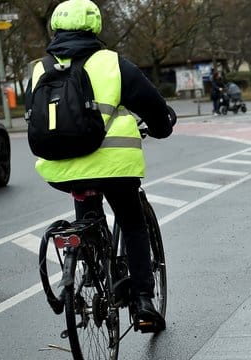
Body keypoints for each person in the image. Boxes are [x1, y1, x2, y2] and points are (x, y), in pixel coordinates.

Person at [27, 0, 174, 332]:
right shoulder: (111, 63)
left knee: (86, 206)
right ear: (94, 27)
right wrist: (163, 125)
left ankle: (91, 266)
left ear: (55, 28)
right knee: (132, 222)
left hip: (59, 170)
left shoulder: (40, 68)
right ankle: (142, 302)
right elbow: (151, 105)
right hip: (115, 169)